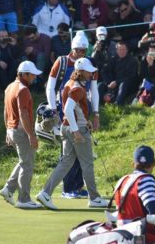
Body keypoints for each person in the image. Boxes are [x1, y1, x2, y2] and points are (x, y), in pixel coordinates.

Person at [36, 58, 108, 210]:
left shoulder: (69, 83)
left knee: (65, 163)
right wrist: (77, 130)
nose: (91, 73)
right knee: (87, 163)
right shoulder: (77, 88)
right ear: (81, 72)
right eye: (89, 71)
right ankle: (94, 198)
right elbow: (68, 109)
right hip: (76, 129)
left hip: (66, 127)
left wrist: (84, 121)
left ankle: (45, 193)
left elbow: (74, 110)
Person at [46, 34, 99, 199]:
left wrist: (95, 113)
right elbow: (50, 87)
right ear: (72, 48)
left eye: (84, 50)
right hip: (65, 113)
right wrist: (54, 111)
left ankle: (76, 186)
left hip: (81, 111)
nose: (81, 53)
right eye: (78, 50)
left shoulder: (89, 65)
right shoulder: (61, 62)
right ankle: (68, 188)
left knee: (76, 156)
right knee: (70, 155)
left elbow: (94, 90)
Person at [0, 61, 43, 209]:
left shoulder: (10, 87)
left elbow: (6, 111)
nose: (34, 77)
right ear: (24, 74)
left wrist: (7, 130)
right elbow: (23, 113)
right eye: (32, 75)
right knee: (27, 164)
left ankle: (8, 189)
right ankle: (24, 199)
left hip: (12, 129)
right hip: (21, 130)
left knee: (24, 161)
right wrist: (31, 135)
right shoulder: (23, 89)